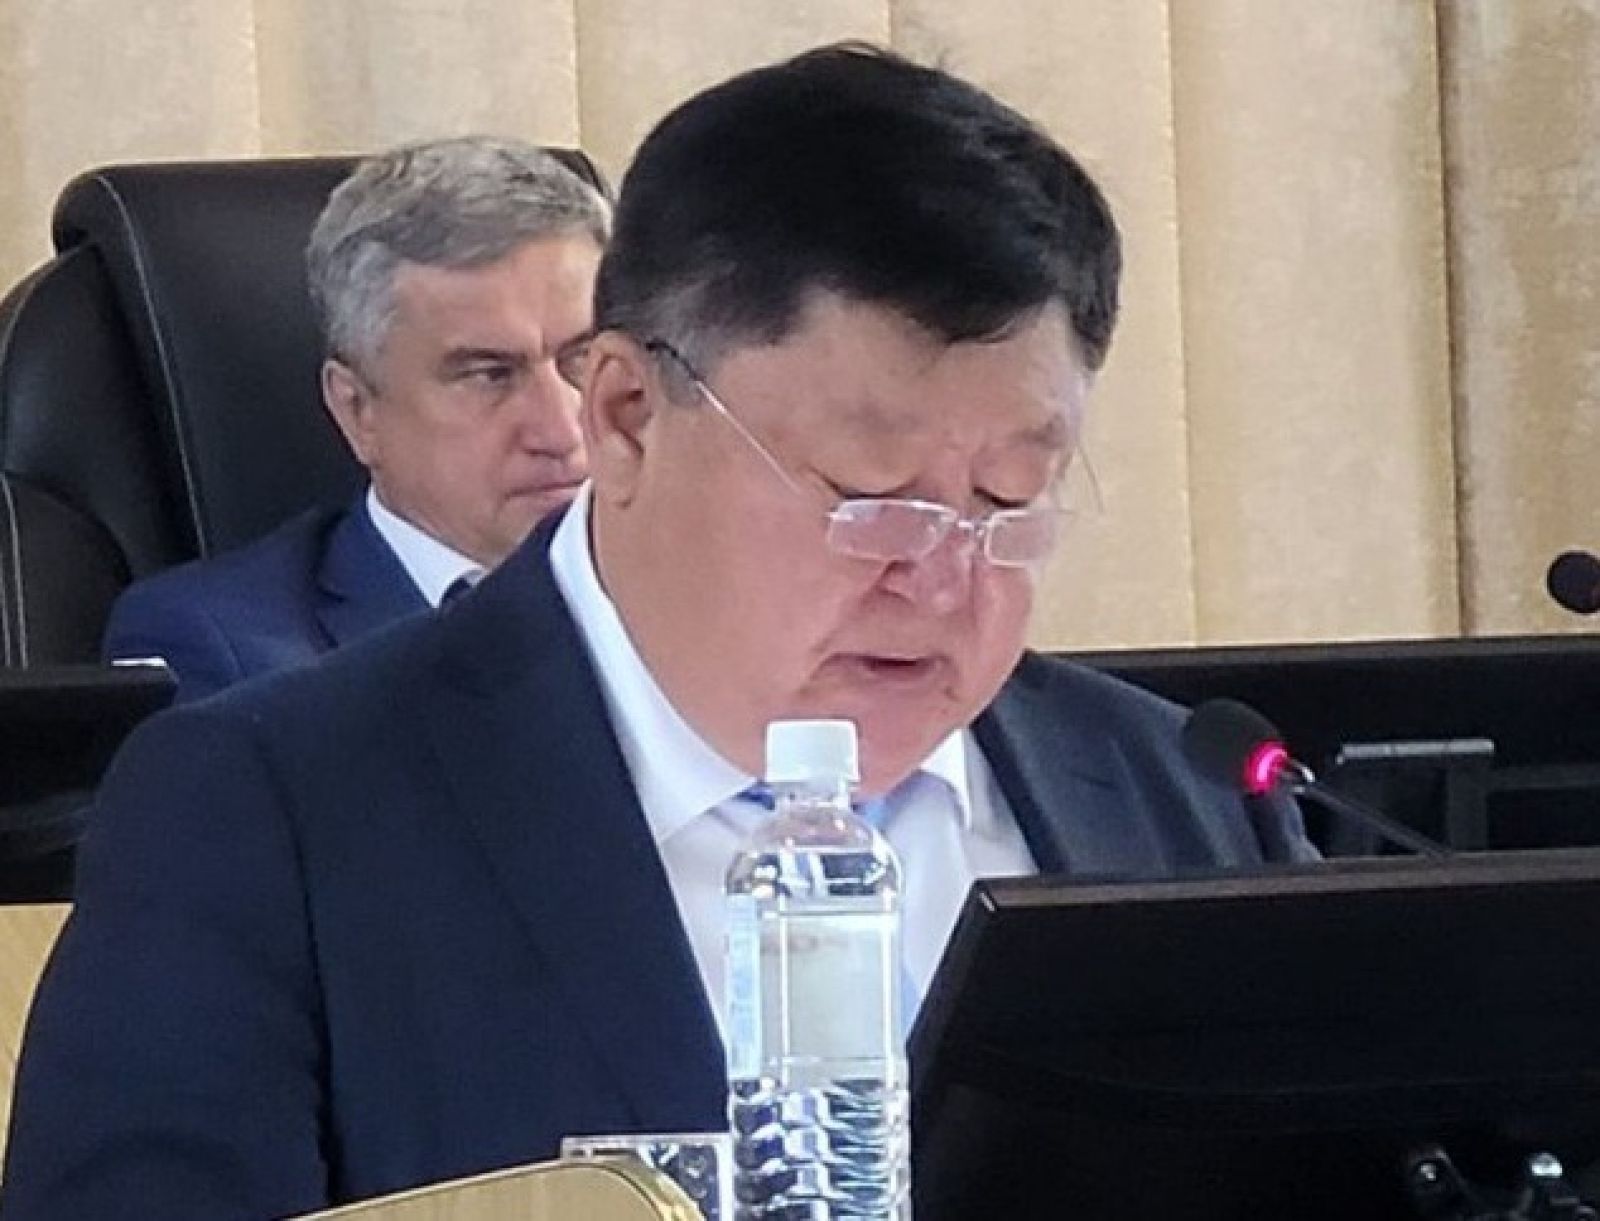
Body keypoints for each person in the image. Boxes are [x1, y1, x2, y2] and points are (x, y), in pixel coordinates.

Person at [0, 44, 1314, 1219]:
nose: (939, 579)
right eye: (870, 495)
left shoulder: (1187, 809)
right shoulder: (264, 819)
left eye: (1008, 500)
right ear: (626, 413)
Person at [101, 136, 611, 702]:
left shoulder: (689, 587)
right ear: (358, 410)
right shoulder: (223, 653)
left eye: (585, 359)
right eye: (489, 375)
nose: (563, 431)